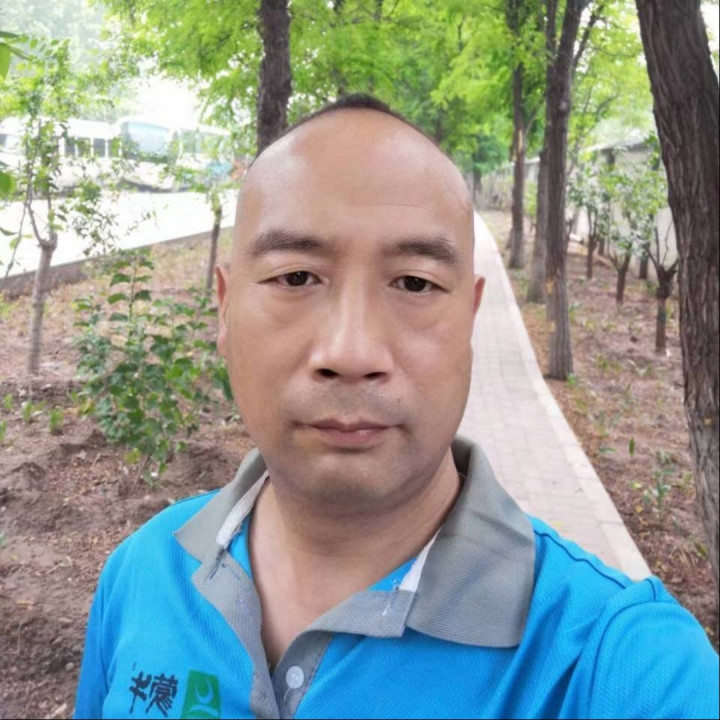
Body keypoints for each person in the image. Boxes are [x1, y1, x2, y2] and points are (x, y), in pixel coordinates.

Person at [74, 94, 719, 720]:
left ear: (470, 318)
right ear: (224, 309)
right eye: (296, 277)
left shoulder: (615, 664)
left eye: (415, 283)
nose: (351, 352)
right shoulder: (142, 575)